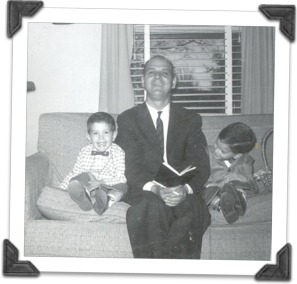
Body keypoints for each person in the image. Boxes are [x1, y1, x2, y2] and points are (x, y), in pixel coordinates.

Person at [115, 55, 211, 259]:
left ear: (174, 82)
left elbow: (201, 165)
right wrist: (156, 188)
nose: (158, 77)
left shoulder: (190, 119)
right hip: (146, 191)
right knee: (151, 208)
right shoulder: (127, 119)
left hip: (181, 190)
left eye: (164, 73)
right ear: (142, 81)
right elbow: (130, 167)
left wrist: (184, 189)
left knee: (193, 209)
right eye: (152, 72)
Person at [58, 112, 127, 215]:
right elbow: (74, 172)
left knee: (123, 187)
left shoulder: (118, 152)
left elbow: (121, 178)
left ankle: (107, 201)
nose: (101, 138)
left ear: (114, 135)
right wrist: (60, 189)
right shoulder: (84, 151)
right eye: (95, 133)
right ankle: (84, 196)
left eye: (106, 132)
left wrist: (102, 182)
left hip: (107, 187)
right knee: (80, 176)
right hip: (89, 186)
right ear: (89, 137)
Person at [202, 122, 259, 224]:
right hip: (212, 189)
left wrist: (244, 179)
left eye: (222, 151)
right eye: (216, 144)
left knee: (237, 186)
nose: (216, 150)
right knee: (209, 189)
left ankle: (238, 204)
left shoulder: (246, 162)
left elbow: (254, 188)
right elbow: (198, 176)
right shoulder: (207, 154)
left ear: (237, 155)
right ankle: (222, 206)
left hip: (234, 191)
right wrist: (213, 184)